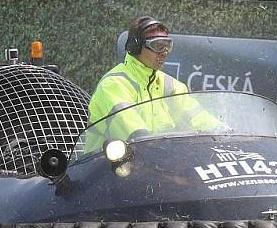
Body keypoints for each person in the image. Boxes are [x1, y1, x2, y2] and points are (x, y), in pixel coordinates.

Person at [85, 16, 217, 151]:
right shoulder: (113, 85)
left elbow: (199, 119)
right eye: (158, 46)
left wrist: (223, 133)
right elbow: (136, 136)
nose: (164, 52)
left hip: (153, 163)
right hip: (105, 168)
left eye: (167, 46)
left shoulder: (171, 85)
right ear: (135, 47)